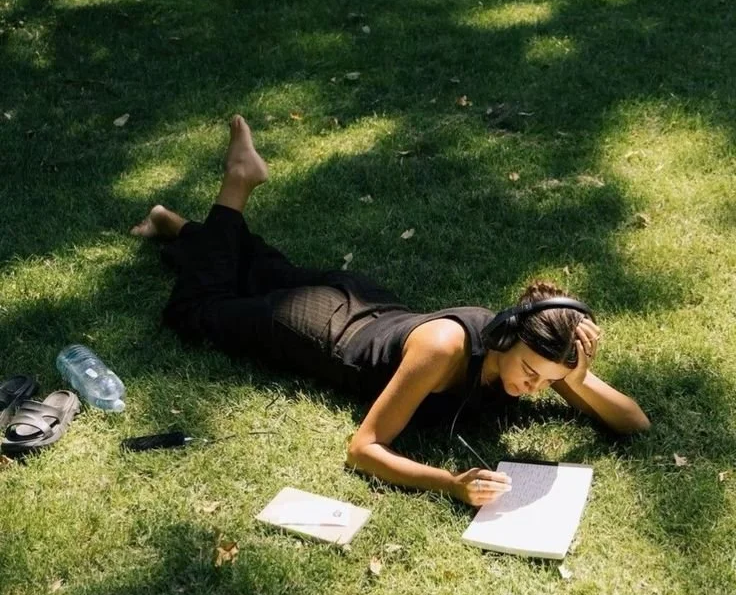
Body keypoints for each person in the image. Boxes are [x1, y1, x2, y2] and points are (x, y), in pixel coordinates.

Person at [132, 116, 650, 506]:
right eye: (533, 375)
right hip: (324, 327)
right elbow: (363, 449)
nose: (535, 388)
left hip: (370, 301)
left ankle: (172, 225)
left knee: (260, 268)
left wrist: (578, 380)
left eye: (547, 381)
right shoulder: (446, 348)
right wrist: (450, 483)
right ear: (505, 335)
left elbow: (634, 424)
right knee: (199, 308)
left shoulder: (541, 351)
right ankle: (238, 180)